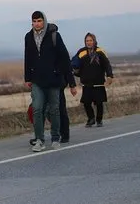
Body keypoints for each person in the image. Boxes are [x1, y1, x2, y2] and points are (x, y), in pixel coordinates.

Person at [24, 11, 77, 152]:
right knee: (37, 109)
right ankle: (39, 140)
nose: (37, 24)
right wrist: (27, 77)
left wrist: (71, 82)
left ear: (44, 21)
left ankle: (55, 138)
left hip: (54, 80)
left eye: (39, 21)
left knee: (54, 110)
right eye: (34, 21)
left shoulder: (54, 35)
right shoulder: (28, 37)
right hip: (37, 81)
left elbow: (65, 58)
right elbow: (27, 58)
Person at [73, 32, 114, 127]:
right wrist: (74, 71)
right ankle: (91, 119)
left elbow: (107, 65)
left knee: (99, 102)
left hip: (98, 82)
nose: (89, 42)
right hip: (86, 83)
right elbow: (74, 63)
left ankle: (99, 120)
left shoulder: (100, 51)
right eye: (87, 41)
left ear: (94, 41)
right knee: (86, 102)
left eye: (90, 40)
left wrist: (110, 76)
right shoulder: (81, 52)